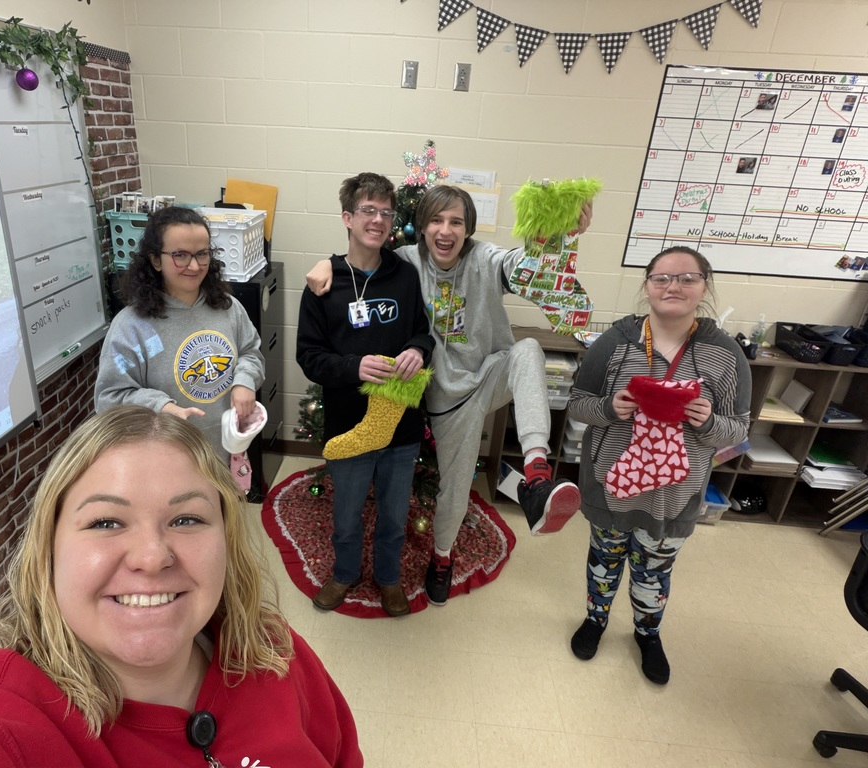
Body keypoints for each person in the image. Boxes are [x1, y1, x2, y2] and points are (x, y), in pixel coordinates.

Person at [0, 406, 363, 766]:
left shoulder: (274, 651)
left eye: (186, 519)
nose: (152, 557)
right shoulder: (7, 713)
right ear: (49, 552)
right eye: (106, 523)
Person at [308, 185, 591, 607]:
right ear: (420, 227)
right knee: (454, 492)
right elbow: (359, 260)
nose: (445, 230)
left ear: (468, 228)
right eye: (436, 220)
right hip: (446, 402)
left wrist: (563, 234)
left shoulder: (487, 260)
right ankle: (441, 557)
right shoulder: (405, 261)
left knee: (528, 349)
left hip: (489, 376)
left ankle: (536, 474)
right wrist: (324, 266)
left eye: (456, 221)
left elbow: (529, 269)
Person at [566, 246, 751, 685]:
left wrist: (708, 422)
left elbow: (738, 429)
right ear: (647, 285)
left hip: (675, 494)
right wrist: (611, 407)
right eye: (662, 278)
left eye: (688, 278)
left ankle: (648, 634)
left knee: (655, 567)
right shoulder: (615, 342)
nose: (674, 286)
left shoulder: (725, 355)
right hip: (612, 483)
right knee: (605, 558)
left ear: (704, 286)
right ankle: (595, 619)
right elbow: (577, 404)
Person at [296, 172, 435, 617]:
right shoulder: (323, 283)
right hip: (348, 424)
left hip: (401, 425)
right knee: (347, 513)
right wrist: (353, 367)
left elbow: (423, 333)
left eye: (386, 212)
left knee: (396, 515)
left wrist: (417, 348)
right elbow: (309, 356)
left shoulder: (405, 275)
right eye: (369, 211)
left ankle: (389, 579)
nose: (378, 220)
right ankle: (345, 572)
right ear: (348, 218)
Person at [95, 207, 264, 465]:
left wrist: (244, 381)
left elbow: (251, 352)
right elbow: (109, 398)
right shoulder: (131, 326)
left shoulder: (228, 308)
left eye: (202, 254)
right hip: (164, 462)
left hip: (224, 453)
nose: (194, 266)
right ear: (155, 260)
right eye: (180, 255)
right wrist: (160, 407)